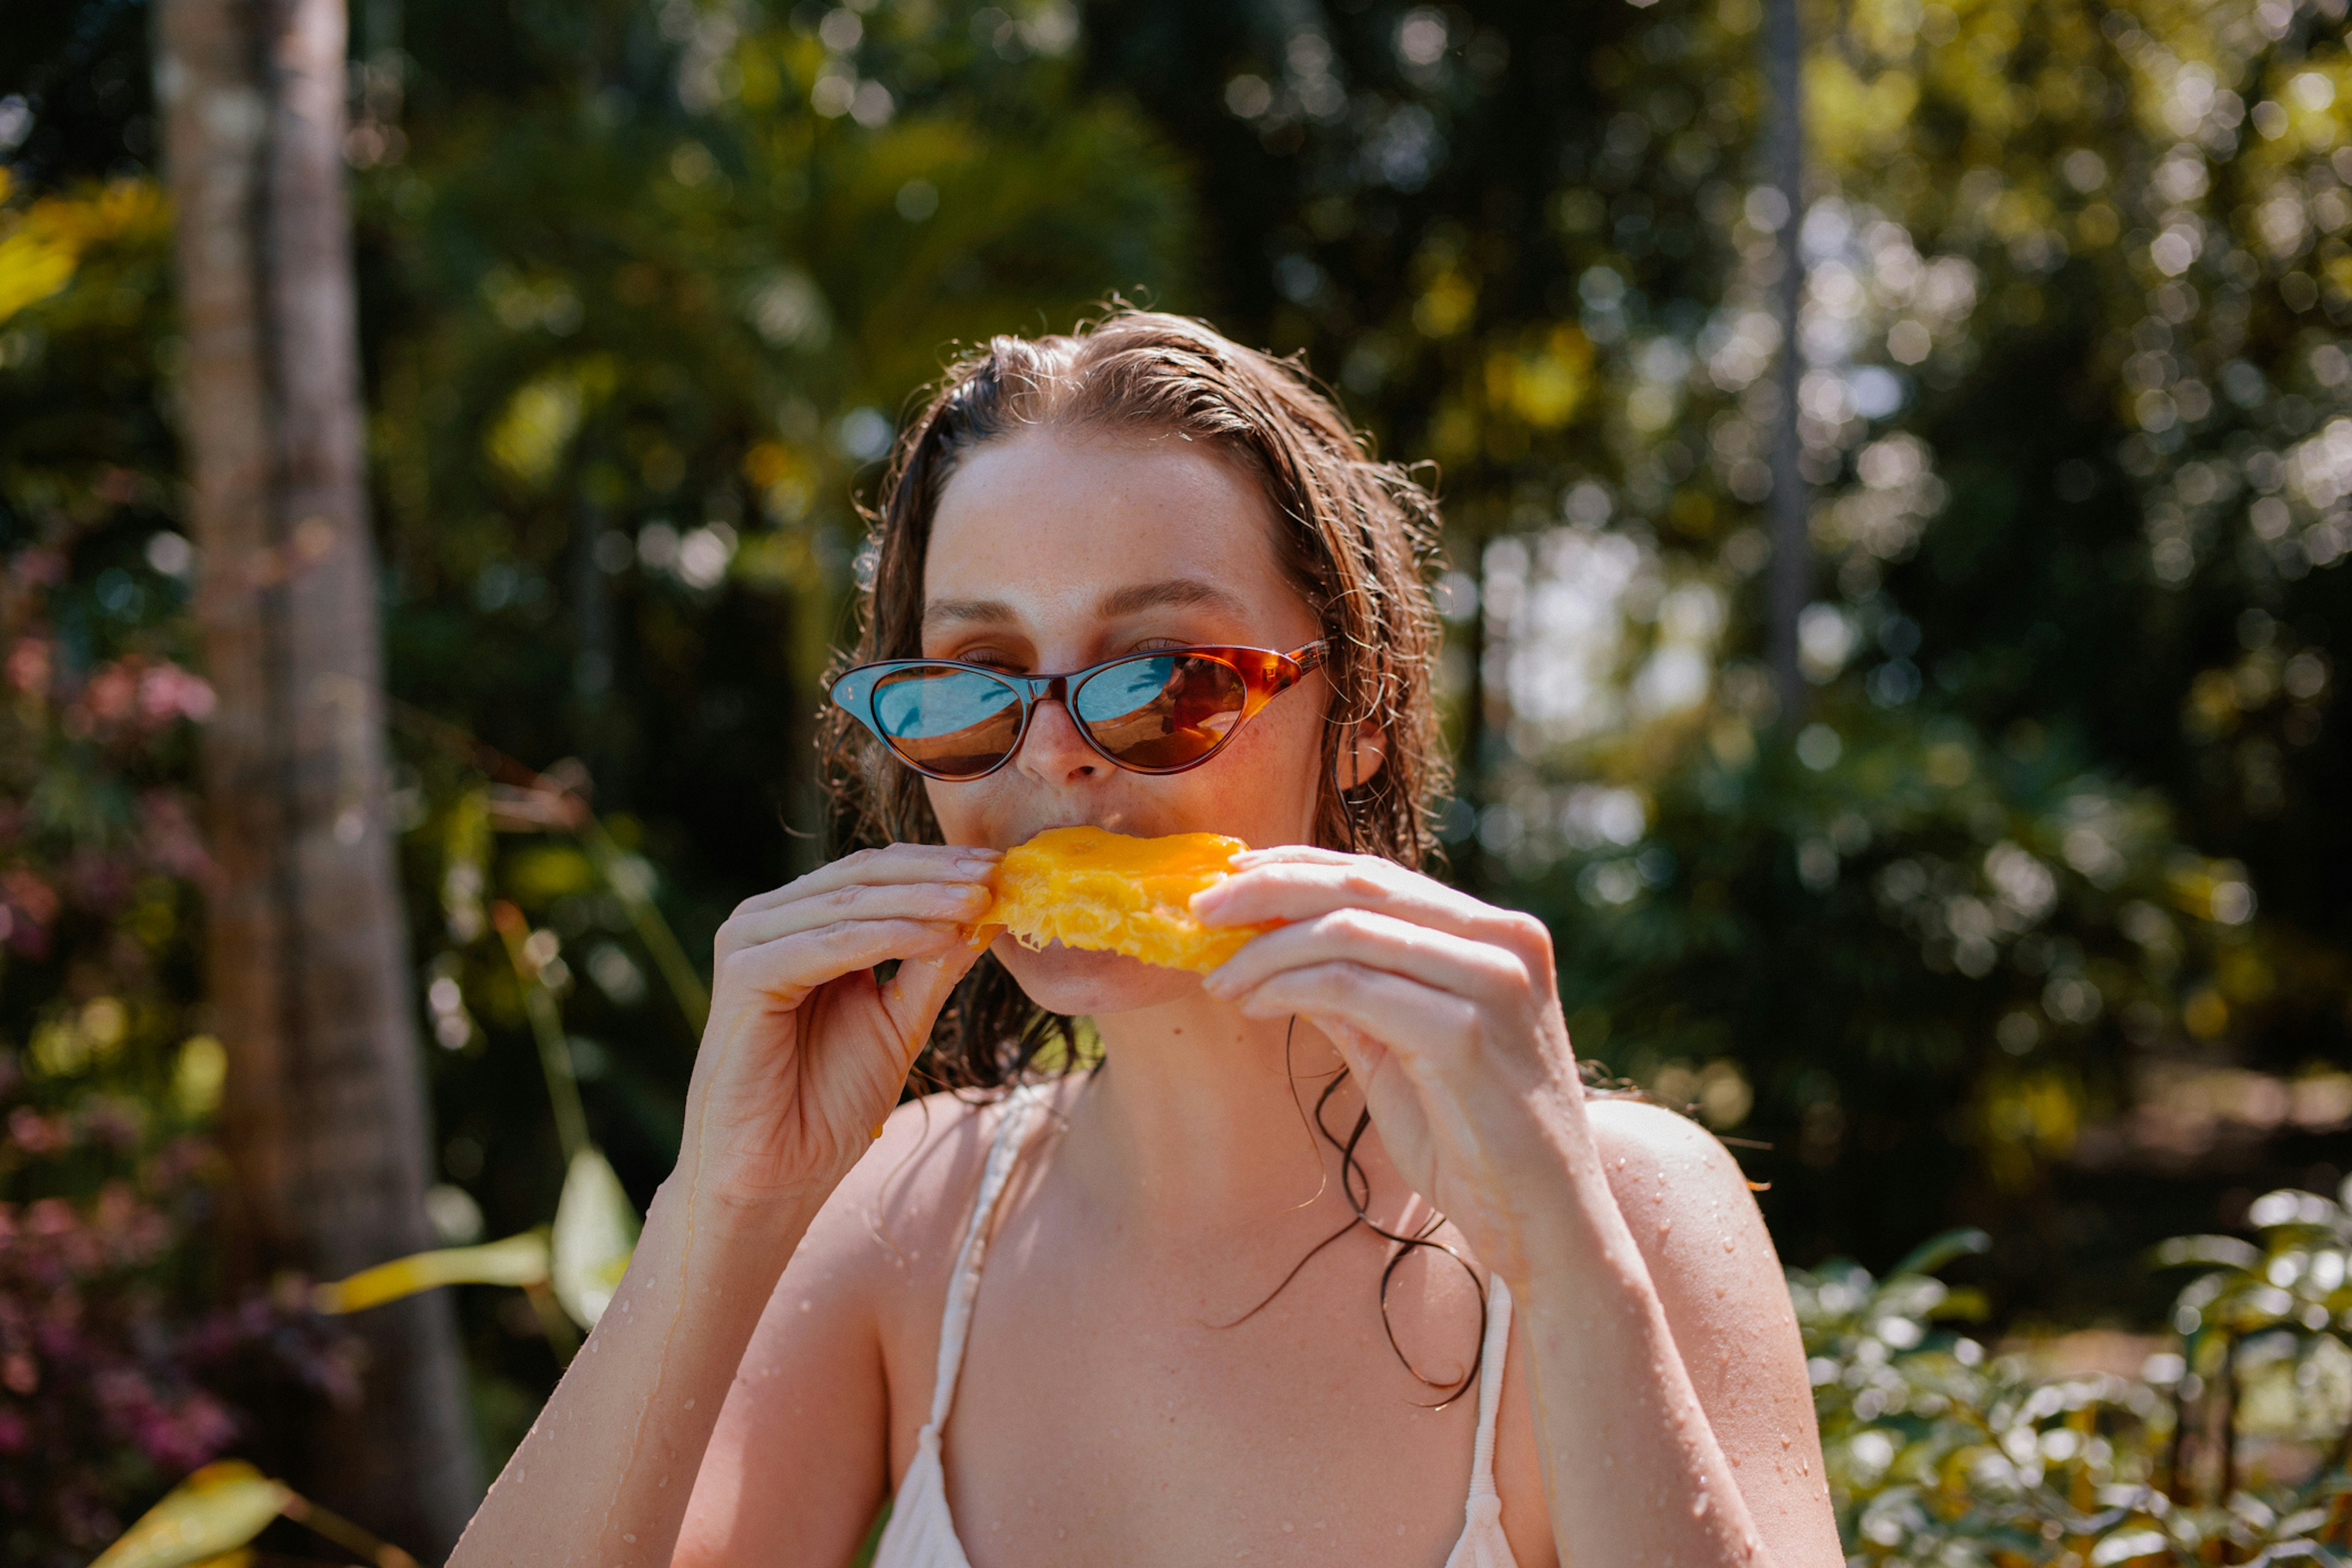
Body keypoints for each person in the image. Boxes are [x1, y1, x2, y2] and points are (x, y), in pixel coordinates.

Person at [449, 311, 1841, 1568]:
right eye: (976, 684)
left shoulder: (1626, 1208)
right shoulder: (907, 1220)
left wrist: (1568, 1263)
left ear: (1355, 713)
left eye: (1166, 679)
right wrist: (725, 1207)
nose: (1053, 760)